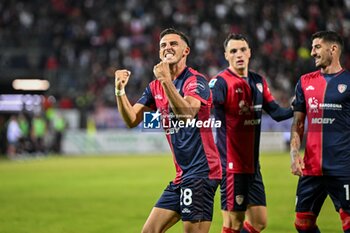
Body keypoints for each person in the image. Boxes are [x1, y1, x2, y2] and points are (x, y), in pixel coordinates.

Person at [114, 28, 222, 233]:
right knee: (149, 231)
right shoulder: (154, 87)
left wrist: (166, 81)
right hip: (182, 174)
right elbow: (132, 119)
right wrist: (120, 90)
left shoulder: (196, 81)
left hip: (202, 171)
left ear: (186, 51)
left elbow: (186, 114)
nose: (167, 48)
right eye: (163, 45)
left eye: (173, 44)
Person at [209, 33, 293, 233]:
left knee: (259, 222)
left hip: (253, 166)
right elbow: (208, 104)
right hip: (231, 166)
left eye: (242, 50)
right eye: (233, 51)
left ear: (250, 53)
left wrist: (301, 106)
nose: (239, 54)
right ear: (226, 55)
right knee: (233, 224)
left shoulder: (258, 81)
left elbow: (278, 113)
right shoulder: (220, 82)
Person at [290, 31, 350, 233]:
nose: (312, 52)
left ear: (333, 49)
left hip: (342, 167)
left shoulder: (349, 82)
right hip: (312, 167)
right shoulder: (304, 82)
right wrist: (294, 153)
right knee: (302, 223)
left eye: (317, 47)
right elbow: (298, 123)